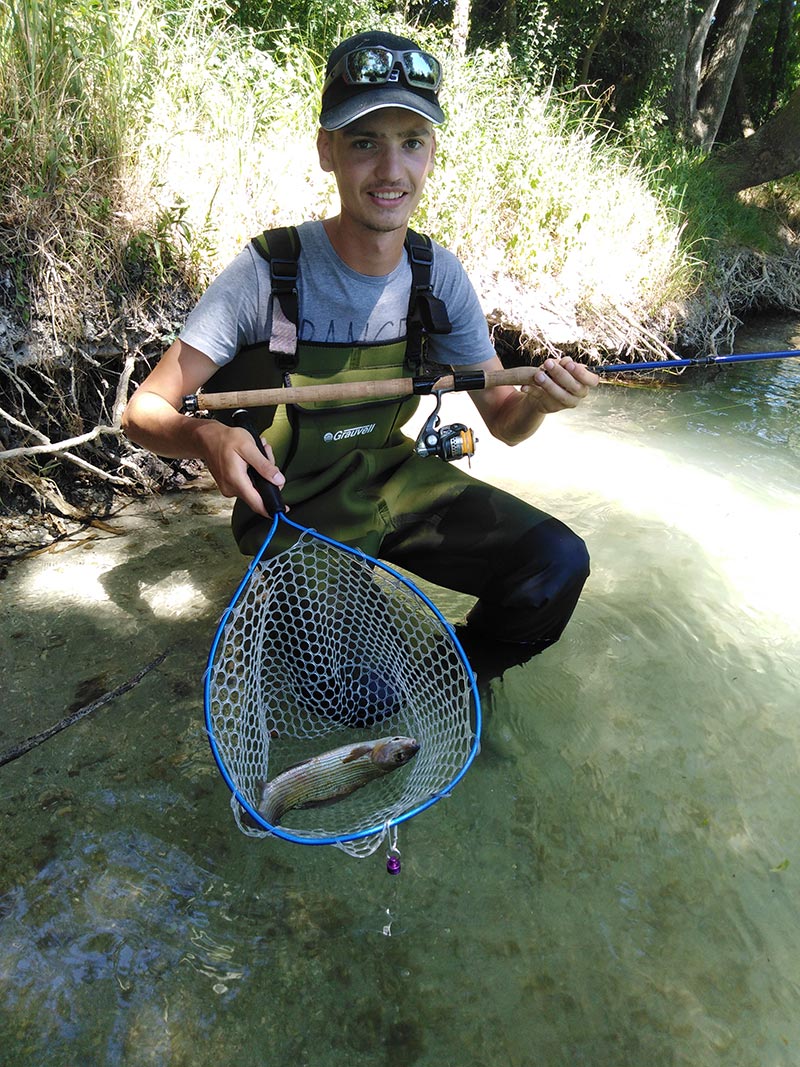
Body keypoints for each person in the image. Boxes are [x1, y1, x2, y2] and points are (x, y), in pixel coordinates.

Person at [122, 29, 598, 675]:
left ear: (431, 153)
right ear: (327, 150)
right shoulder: (269, 271)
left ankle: (452, 682)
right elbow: (142, 410)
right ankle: (325, 636)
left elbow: (507, 423)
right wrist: (206, 436)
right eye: (365, 141)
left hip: (391, 483)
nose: (390, 170)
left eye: (411, 142)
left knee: (557, 562)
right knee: (362, 694)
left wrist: (541, 402)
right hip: (288, 507)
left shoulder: (439, 277)